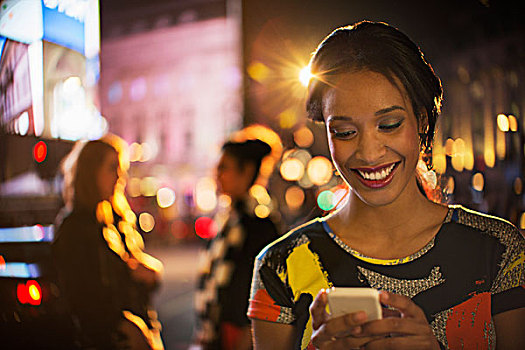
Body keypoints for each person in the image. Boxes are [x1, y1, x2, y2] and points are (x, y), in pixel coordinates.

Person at [248, 21, 525, 349]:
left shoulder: (500, 251)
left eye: (389, 124)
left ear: (423, 121)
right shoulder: (281, 265)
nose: (369, 153)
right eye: (345, 132)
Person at [52, 137, 164, 350]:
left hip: (140, 333)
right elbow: (79, 298)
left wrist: (150, 273)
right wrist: (122, 324)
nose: (120, 177)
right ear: (91, 171)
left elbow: (134, 271)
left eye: (121, 169)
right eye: (113, 168)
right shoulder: (74, 228)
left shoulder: (115, 219)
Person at [194, 138, 281, 350]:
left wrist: (247, 330)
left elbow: (262, 288)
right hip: (216, 333)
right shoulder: (228, 220)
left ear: (247, 171)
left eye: (224, 167)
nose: (217, 174)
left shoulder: (258, 224)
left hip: (237, 336)